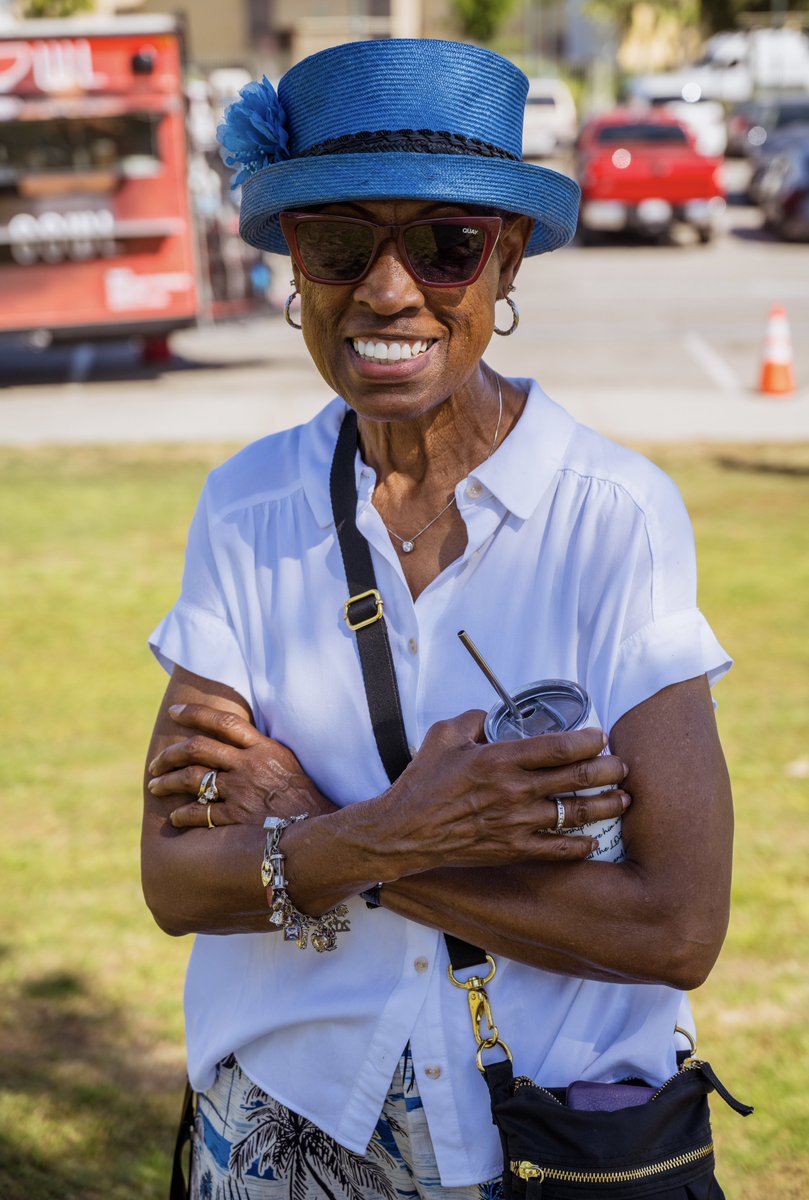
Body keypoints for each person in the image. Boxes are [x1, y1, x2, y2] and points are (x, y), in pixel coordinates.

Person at [142, 38, 734, 1200]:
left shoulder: (611, 516)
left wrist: (325, 830)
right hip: (280, 1129)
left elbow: (674, 928)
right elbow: (175, 880)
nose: (386, 289)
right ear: (294, 269)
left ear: (506, 262)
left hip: (542, 1138)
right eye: (339, 243)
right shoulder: (246, 508)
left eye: (446, 245)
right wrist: (409, 830)